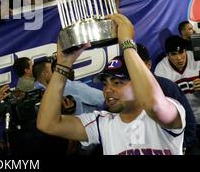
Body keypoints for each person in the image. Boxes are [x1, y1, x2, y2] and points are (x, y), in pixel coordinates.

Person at [37, 13, 186, 155]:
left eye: (117, 82)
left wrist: (127, 44)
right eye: (105, 83)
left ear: (137, 84)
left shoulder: (171, 108)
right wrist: (63, 65)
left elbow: (154, 106)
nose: (108, 89)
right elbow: (47, 123)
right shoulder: (102, 123)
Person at [137, 43, 199, 154]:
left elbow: (188, 119)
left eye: (138, 65)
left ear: (149, 64)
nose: (133, 70)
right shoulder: (124, 92)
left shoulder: (166, 86)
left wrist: (183, 146)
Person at [154, 35, 200, 146]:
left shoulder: (197, 58)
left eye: (181, 52)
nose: (179, 58)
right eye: (174, 54)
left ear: (186, 50)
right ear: (167, 55)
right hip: (183, 123)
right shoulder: (161, 69)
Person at [32, 59, 104, 115]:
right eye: (52, 70)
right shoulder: (64, 86)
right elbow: (101, 98)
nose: (56, 73)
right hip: (87, 125)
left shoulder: (33, 94)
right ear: (45, 74)